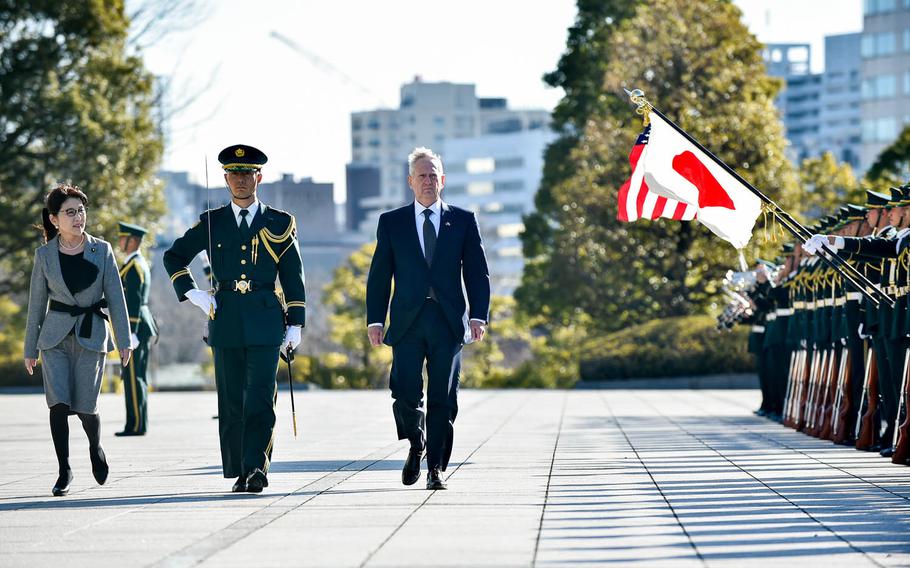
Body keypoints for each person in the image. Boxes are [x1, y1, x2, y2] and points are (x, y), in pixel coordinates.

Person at [163, 144, 306, 493]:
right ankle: (239, 469)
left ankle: (257, 467)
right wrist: (192, 293)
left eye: (247, 173)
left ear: (259, 176)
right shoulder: (213, 222)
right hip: (225, 320)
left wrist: (296, 323)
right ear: (225, 178)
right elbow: (174, 256)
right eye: (234, 174)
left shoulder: (280, 222)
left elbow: (292, 275)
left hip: (266, 320)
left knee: (260, 397)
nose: (241, 180)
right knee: (231, 402)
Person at [366, 147, 490, 490]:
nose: (428, 181)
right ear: (410, 181)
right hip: (406, 322)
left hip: (448, 322)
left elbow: (478, 273)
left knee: (443, 397)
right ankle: (416, 442)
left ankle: (436, 467)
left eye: (434, 175)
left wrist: (478, 315)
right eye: (421, 175)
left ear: (443, 180)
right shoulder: (391, 223)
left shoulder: (463, 220)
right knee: (404, 391)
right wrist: (375, 320)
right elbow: (380, 275)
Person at [23, 184, 132, 496]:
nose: (78, 217)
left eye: (81, 210)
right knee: (57, 404)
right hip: (54, 338)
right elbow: (36, 304)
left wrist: (124, 340)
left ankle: (95, 448)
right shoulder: (44, 255)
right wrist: (30, 348)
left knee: (86, 407)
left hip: (92, 333)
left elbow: (116, 297)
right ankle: (64, 469)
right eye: (69, 212)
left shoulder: (103, 250)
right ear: (55, 219)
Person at [115, 222, 158, 436]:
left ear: (132, 240)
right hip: (140, 325)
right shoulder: (136, 264)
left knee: (134, 377)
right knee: (135, 377)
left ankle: (136, 425)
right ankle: (136, 423)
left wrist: (131, 332)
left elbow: (134, 300)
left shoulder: (134, 267)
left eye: (123, 238)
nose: (120, 242)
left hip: (136, 327)